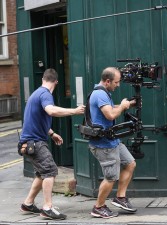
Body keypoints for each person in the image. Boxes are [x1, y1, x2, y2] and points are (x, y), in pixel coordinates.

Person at [19, 68, 85, 220]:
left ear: (43, 79)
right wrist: (74, 111)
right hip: (35, 142)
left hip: (30, 141)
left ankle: (28, 203)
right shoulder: (45, 95)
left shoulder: (36, 94)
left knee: (41, 173)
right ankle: (47, 207)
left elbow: (38, 119)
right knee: (50, 171)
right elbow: (51, 111)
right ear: (56, 82)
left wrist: (52, 133)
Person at [88, 67, 137, 219]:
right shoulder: (100, 94)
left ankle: (120, 197)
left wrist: (127, 104)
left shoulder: (104, 93)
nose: (118, 85)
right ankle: (98, 207)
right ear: (107, 81)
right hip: (104, 144)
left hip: (112, 140)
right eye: (116, 82)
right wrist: (122, 107)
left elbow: (109, 109)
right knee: (111, 177)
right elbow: (109, 115)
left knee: (130, 163)